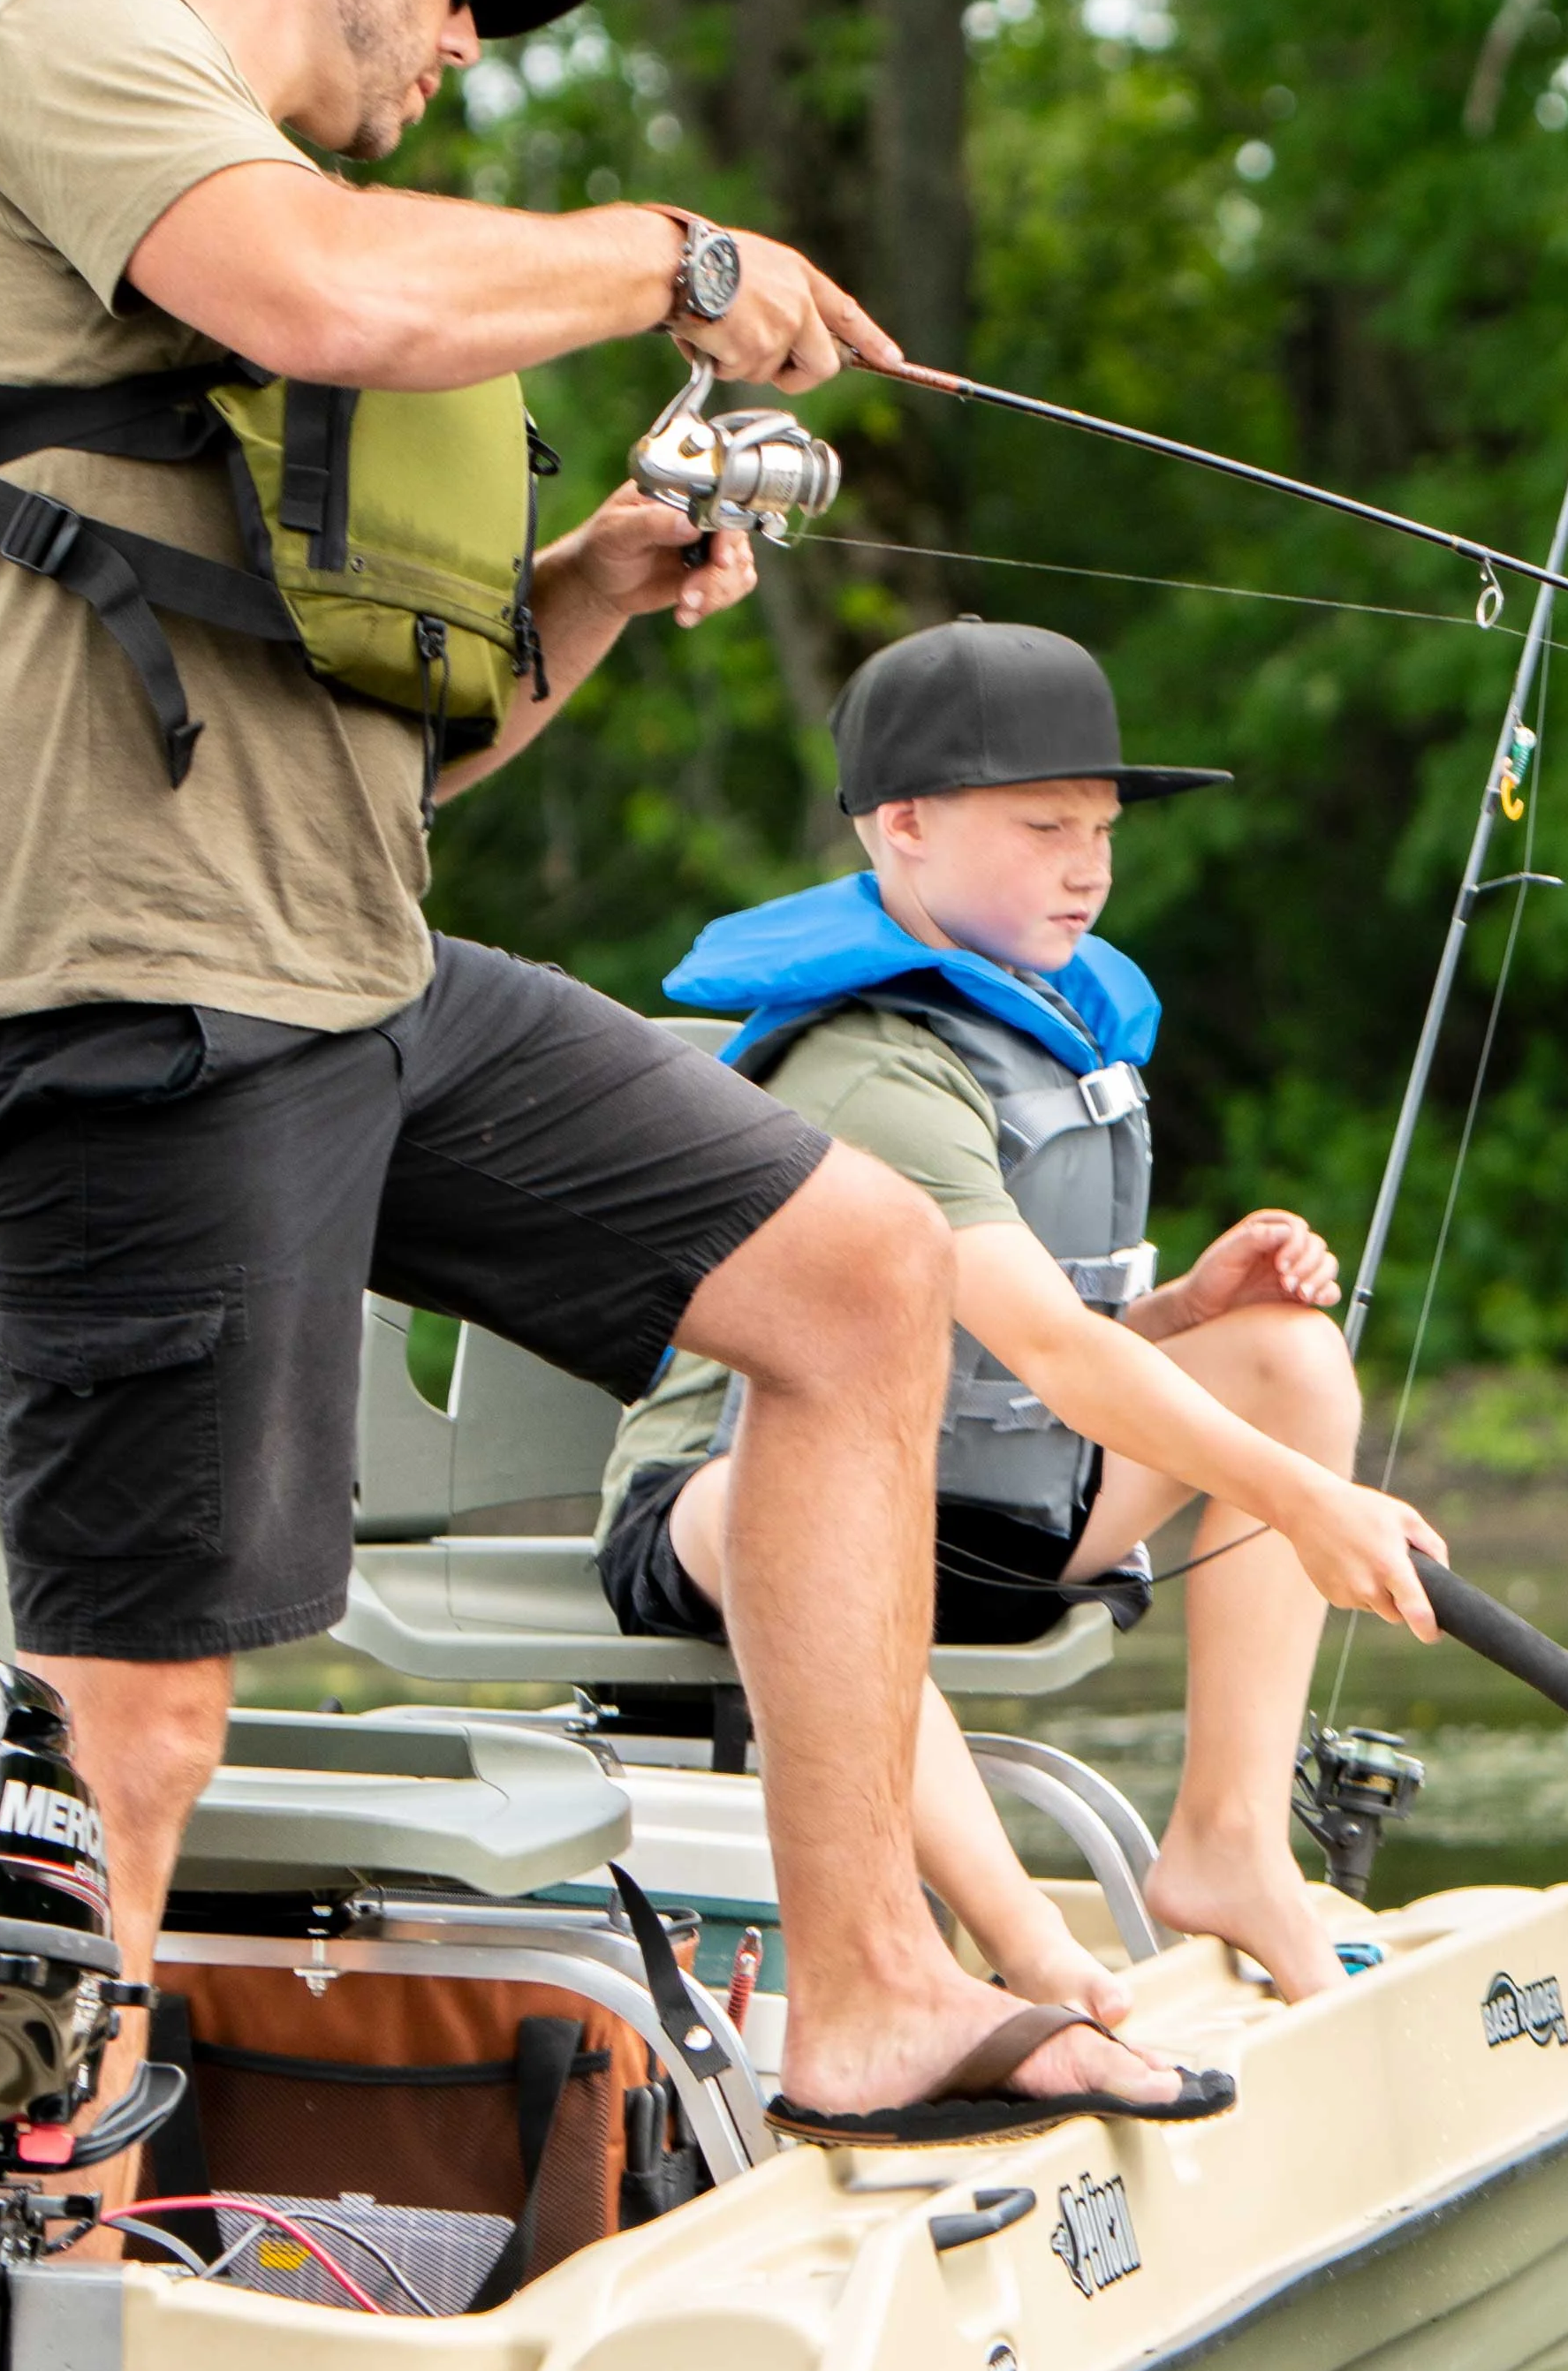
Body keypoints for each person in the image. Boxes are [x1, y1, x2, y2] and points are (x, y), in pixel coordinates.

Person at [0, 0, 1213, 2161]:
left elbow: (404, 758)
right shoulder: (72, 45)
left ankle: (874, 2002)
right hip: (130, 1004)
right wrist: (667, 262)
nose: (470, 35)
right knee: (144, 1719)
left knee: (858, 1281)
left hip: (357, 980)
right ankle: (32, 2212)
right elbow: (328, 297)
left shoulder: (231, 219)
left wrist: (589, 581)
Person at [596, 621, 1448, 2011]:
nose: (1091, 862)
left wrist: (1180, 1312)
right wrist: (1311, 1505)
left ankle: (1229, 1848)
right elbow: (1054, 1354)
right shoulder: (873, 1067)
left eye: (1103, 827)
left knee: (1288, 1357)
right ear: (907, 825)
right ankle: (1028, 1955)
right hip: (745, 1518)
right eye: (1046, 822)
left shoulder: (1046, 1019)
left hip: (984, 1511)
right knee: (829, 1525)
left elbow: (1018, 1351)